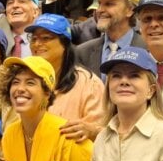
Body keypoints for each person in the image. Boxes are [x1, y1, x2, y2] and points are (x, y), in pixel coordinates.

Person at [26, 13, 106, 142]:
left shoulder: (89, 83)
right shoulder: (23, 79)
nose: (37, 44)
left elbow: (103, 131)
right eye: (34, 39)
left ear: (65, 44)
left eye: (45, 38)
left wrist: (92, 130)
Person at [75, 0, 145, 77]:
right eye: (99, 3)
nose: (99, 10)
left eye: (109, 4)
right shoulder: (82, 52)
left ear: (130, 10)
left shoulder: (149, 51)